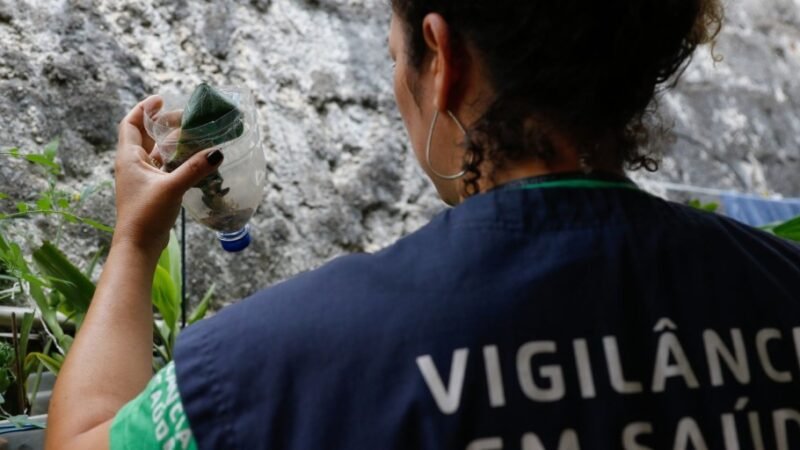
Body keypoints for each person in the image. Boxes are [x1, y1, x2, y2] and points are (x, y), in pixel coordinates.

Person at [45, 0, 800, 449]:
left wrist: (135, 240)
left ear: (443, 58)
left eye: (396, 53)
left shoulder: (272, 368)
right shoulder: (780, 287)